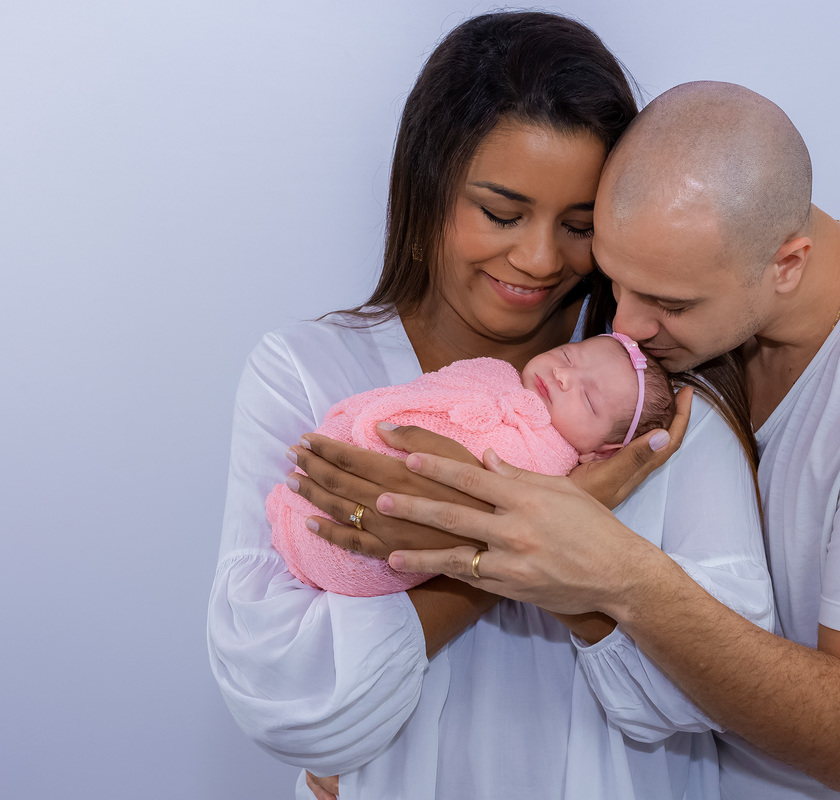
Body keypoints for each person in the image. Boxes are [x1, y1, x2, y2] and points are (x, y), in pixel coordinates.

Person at [348, 82, 840, 799]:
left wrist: (620, 572)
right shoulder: (699, 320)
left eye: (669, 304)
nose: (628, 326)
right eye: (617, 283)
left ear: (787, 263)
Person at [207, 15, 774, 800]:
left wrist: (492, 550)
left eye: (579, 226)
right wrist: (550, 534)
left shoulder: (656, 414)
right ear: (429, 185)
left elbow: (713, 700)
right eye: (501, 213)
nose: (540, 260)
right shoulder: (309, 374)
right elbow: (296, 705)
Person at [268, 334, 674, 597]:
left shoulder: (549, 470)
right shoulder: (495, 373)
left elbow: (500, 499)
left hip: (373, 541)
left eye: (589, 399)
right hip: (340, 468)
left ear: (600, 453)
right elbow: (429, 391)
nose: (564, 376)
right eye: (569, 355)